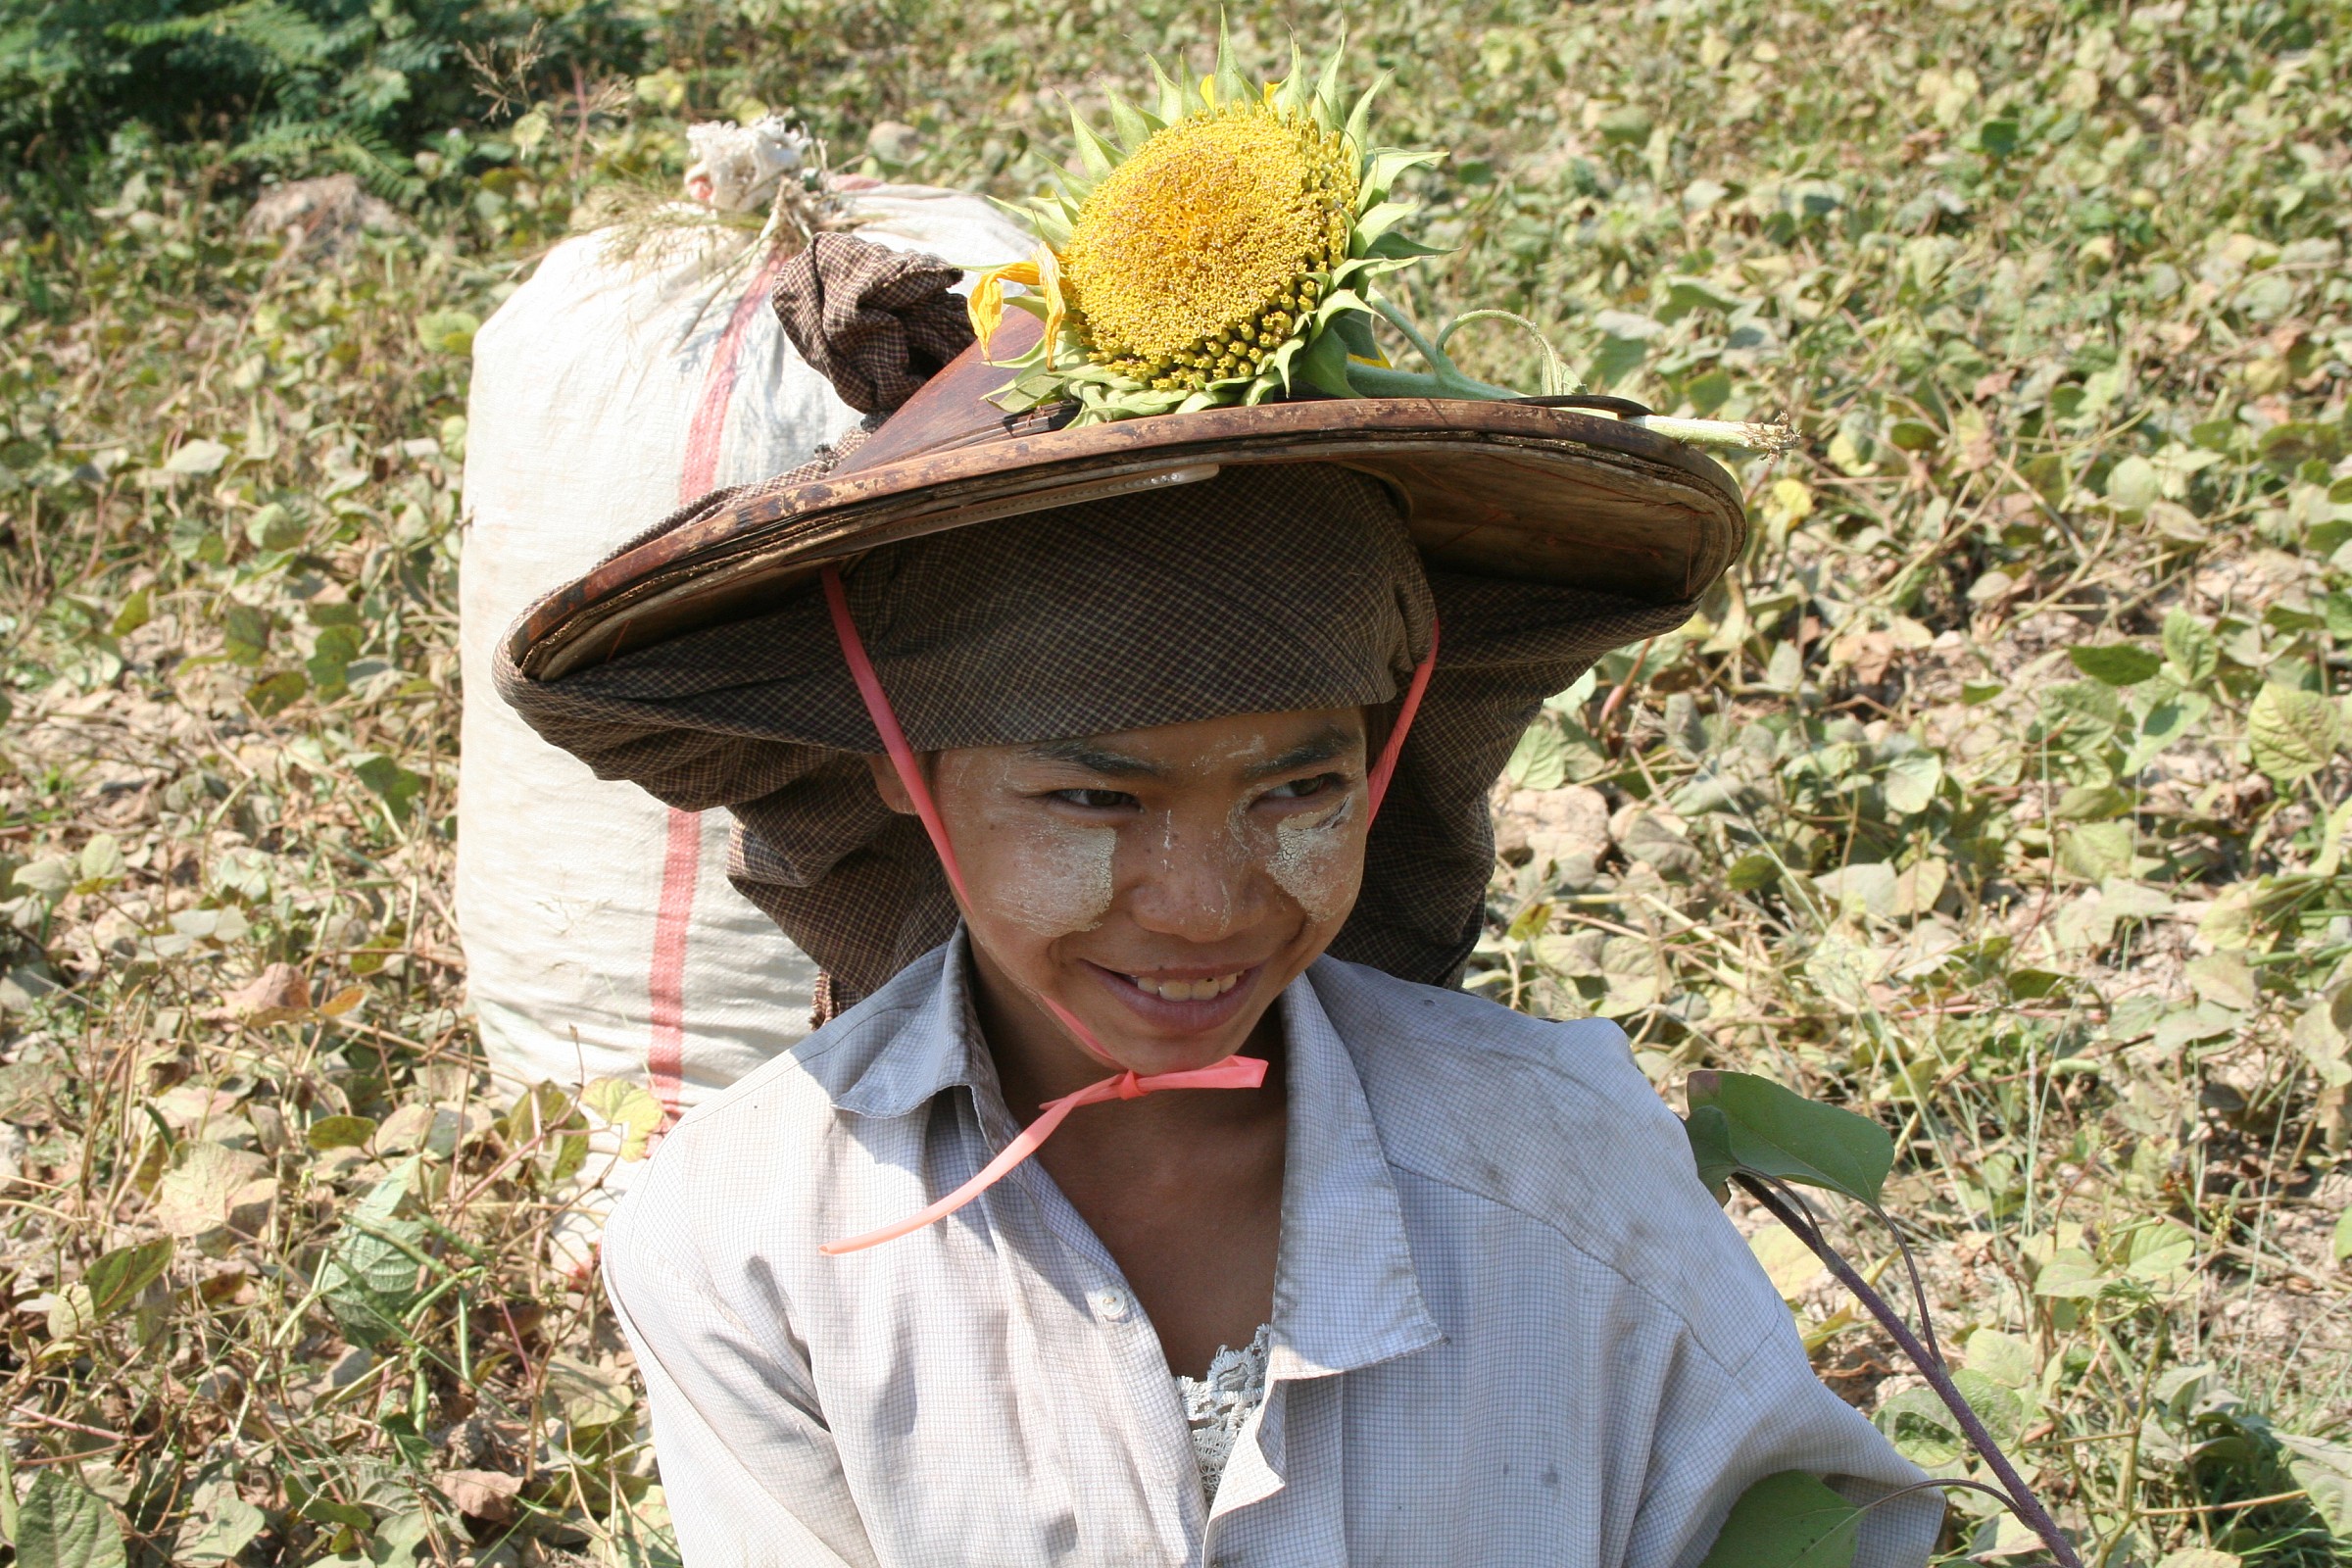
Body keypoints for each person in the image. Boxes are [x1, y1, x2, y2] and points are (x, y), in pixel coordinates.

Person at [498, 43, 1937, 1568]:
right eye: (1094, 796)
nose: (1204, 903)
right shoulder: (755, 1241)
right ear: (902, 773)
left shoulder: (1561, 1165)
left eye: (1298, 786)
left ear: (1383, 761)